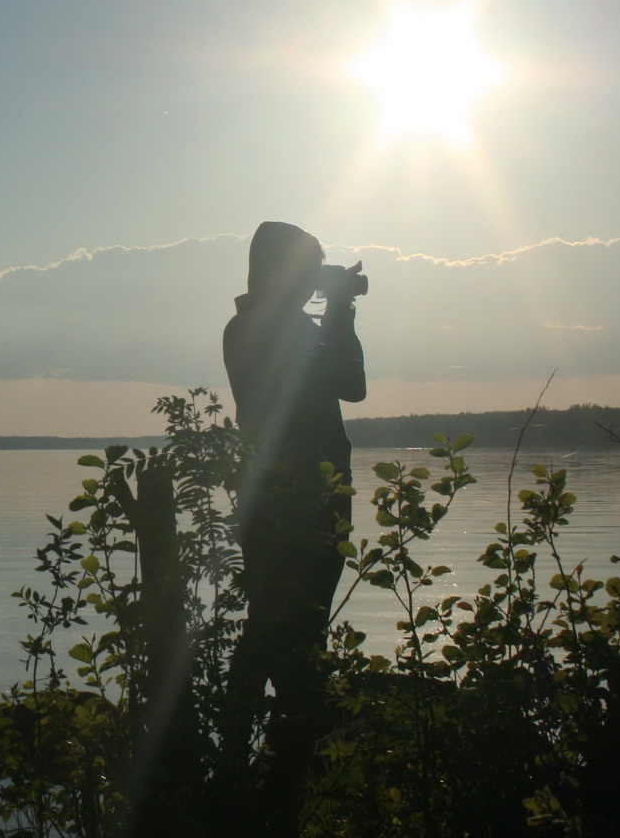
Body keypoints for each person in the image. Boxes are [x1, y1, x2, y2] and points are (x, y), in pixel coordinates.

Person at [221, 221, 366, 824]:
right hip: (304, 498)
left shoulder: (252, 325)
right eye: (311, 267)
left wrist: (331, 307)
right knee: (294, 629)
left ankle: (246, 765)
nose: (318, 277)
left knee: (274, 627)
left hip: (280, 499)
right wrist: (340, 310)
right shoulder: (277, 328)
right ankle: (280, 770)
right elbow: (351, 386)